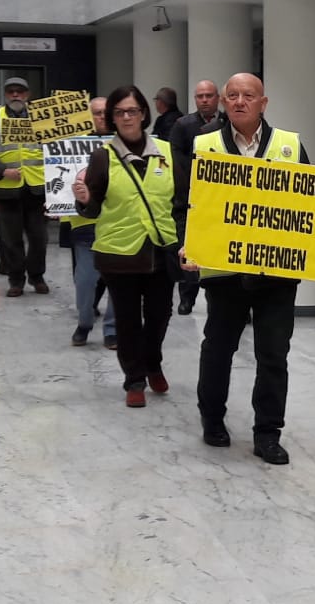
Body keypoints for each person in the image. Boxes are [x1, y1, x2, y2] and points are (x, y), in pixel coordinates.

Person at [175, 73, 314, 465]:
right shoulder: (204, 145)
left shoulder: (289, 145)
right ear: (223, 102)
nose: (239, 101)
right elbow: (186, 202)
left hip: (276, 274)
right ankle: (212, 419)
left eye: (248, 96)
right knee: (218, 349)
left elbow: (313, 206)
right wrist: (187, 243)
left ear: (263, 103)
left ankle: (268, 433)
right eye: (232, 95)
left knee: (273, 355)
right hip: (223, 271)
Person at [72, 87, 174, 406]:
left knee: (159, 316)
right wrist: (84, 200)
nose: (127, 117)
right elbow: (92, 208)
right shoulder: (102, 156)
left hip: (161, 248)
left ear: (144, 113)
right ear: (112, 118)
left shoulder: (167, 152)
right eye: (119, 112)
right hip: (119, 252)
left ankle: (153, 363)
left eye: (132, 111)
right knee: (127, 320)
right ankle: (135, 379)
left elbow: (182, 199)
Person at [0, 77, 49, 296]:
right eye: (11, 91)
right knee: (11, 239)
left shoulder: (42, 116)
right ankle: (16, 280)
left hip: (36, 188)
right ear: (5, 94)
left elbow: (54, 149)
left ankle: (37, 276)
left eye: (20, 91)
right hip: (7, 188)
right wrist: (2, 171)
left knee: (39, 238)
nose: (16, 95)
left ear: (28, 94)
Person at [62, 96, 116, 346]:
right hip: (84, 224)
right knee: (84, 281)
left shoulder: (123, 145)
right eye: (96, 113)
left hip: (117, 222)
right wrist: (55, 203)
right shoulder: (71, 144)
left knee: (117, 281)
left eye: (106, 112)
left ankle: (112, 329)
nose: (101, 117)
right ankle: (84, 322)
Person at [169, 79, 222, 314]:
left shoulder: (227, 123)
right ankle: (187, 297)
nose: (204, 100)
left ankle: (220, 300)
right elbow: (177, 162)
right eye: (200, 96)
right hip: (189, 196)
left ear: (217, 98)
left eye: (209, 95)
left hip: (218, 197)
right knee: (187, 247)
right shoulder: (183, 125)